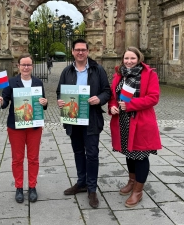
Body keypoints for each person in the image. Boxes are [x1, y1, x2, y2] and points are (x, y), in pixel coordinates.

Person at [56, 39, 111, 208]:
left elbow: (107, 91)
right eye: (77, 49)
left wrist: (99, 99)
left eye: (83, 50)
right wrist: (60, 101)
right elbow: (60, 91)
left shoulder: (97, 69)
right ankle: (81, 183)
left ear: (88, 52)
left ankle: (92, 188)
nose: (80, 52)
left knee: (92, 153)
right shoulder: (67, 71)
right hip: (73, 119)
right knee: (78, 151)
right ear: (72, 52)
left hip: (91, 118)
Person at [108, 46, 162, 208]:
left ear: (139, 59)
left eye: (132, 58)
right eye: (126, 58)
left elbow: (153, 98)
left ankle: (138, 190)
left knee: (140, 155)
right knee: (129, 153)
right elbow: (113, 96)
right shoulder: (119, 75)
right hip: (123, 121)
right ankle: (132, 181)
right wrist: (112, 106)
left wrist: (130, 105)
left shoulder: (149, 74)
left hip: (141, 122)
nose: (129, 61)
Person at [0, 53, 48, 203]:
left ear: (32, 66)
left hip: (34, 126)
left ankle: (32, 186)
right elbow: (4, 104)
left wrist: (45, 103)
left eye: (28, 64)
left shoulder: (38, 83)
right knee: (17, 159)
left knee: (33, 158)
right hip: (16, 126)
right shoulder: (11, 83)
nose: (26, 67)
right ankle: (19, 187)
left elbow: (42, 104)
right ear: (18, 66)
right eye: (23, 64)